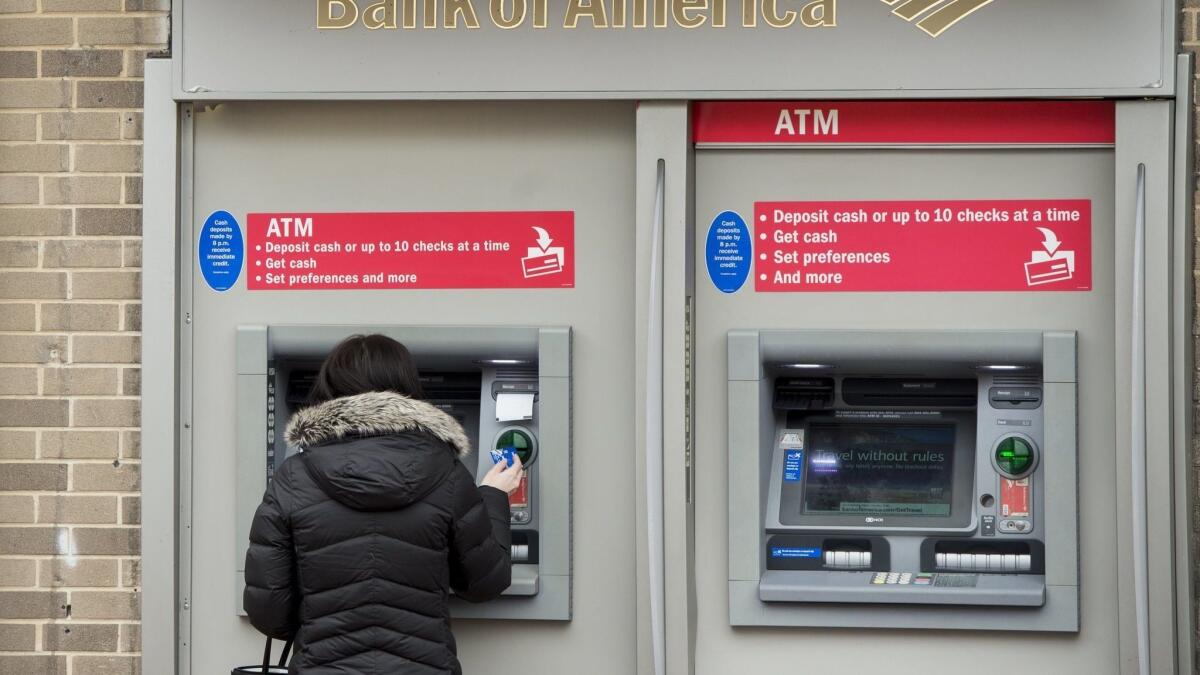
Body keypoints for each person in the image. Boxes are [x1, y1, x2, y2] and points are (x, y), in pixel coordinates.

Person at [243, 334, 524, 674]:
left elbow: (270, 612)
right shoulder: (448, 472)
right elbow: (485, 583)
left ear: (327, 388)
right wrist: (492, 494)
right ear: (407, 388)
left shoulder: (292, 478)